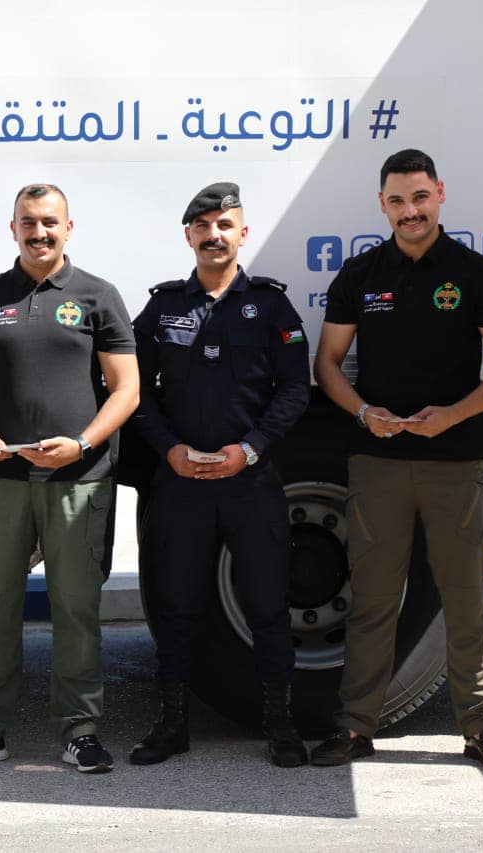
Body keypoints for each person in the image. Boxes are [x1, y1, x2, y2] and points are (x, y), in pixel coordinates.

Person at [310, 149, 483, 770]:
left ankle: (480, 730)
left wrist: (452, 416)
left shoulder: (475, 273)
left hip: (456, 461)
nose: (411, 211)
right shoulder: (360, 275)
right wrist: (363, 413)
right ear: (382, 205)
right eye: (398, 201)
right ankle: (355, 728)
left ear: (440, 195)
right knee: (373, 600)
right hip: (377, 462)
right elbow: (327, 364)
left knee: (465, 599)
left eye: (420, 197)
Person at [0, 183, 139, 774]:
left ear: (68, 228)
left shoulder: (98, 296)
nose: (39, 232)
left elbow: (126, 389)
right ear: (13, 229)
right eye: (28, 222)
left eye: (50, 221)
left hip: (79, 481)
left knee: (75, 610)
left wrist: (82, 443)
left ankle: (80, 732)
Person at [129, 182, 311, 768]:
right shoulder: (162, 308)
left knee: (267, 605)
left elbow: (295, 390)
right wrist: (168, 450)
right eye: (203, 226)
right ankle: (172, 723)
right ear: (188, 235)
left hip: (249, 482)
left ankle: (280, 724)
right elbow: (135, 392)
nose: (214, 235)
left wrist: (251, 449)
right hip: (181, 483)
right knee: (177, 605)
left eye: (224, 225)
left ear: (242, 233)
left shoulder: (272, 306)